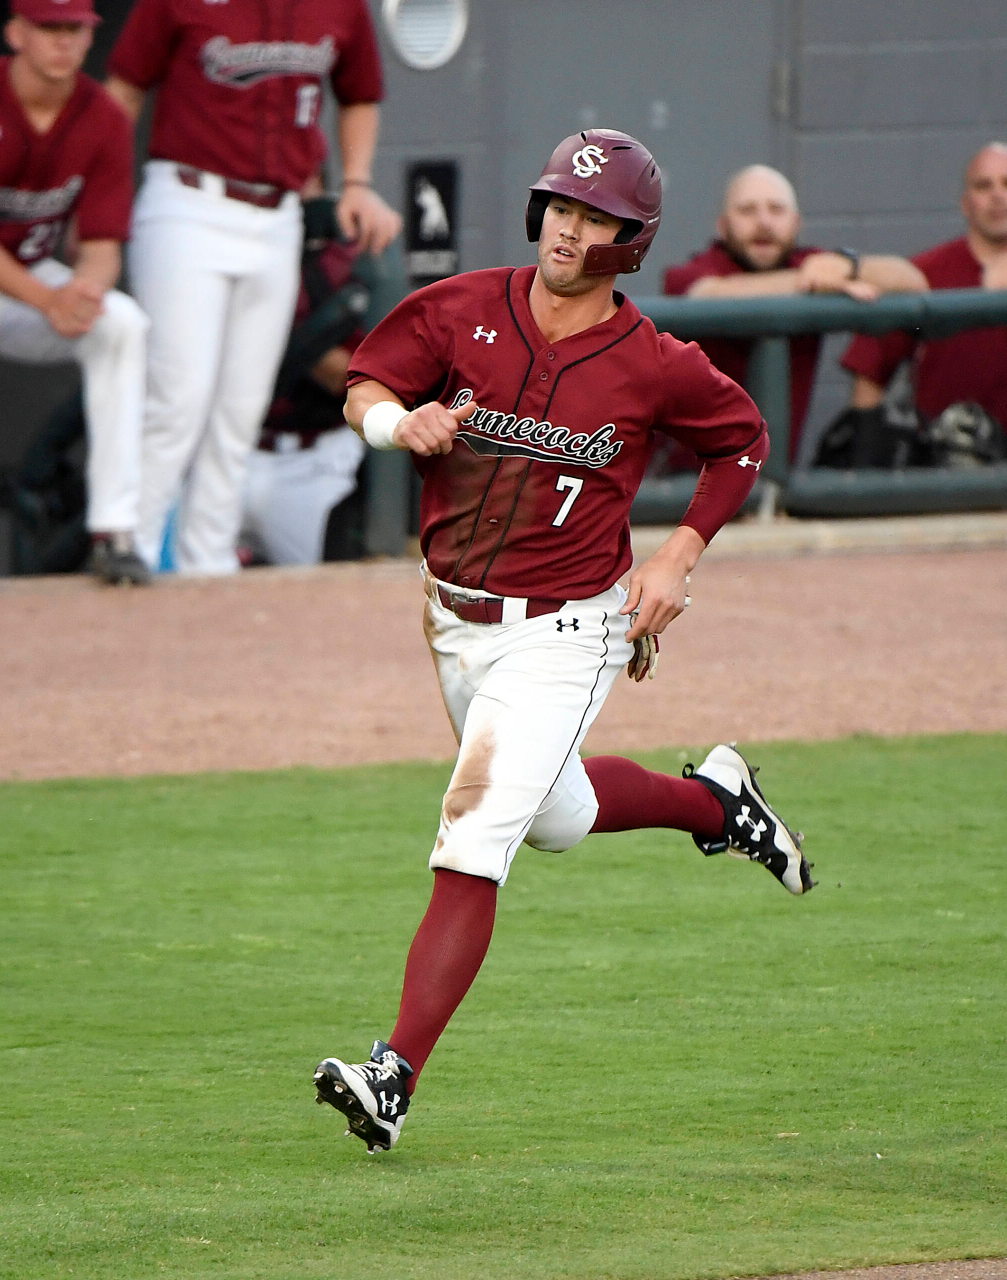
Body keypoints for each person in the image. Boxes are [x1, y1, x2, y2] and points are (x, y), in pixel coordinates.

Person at [312, 130, 815, 1156]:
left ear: (631, 242)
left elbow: (744, 441)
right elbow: (366, 381)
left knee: (476, 831)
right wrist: (393, 426)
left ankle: (391, 1075)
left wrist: (678, 555)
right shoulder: (460, 307)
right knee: (554, 814)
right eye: (560, 207)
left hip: (570, 627)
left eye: (595, 219)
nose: (569, 229)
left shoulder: (653, 361)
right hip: (452, 616)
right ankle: (717, 801)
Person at [104, 0, 401, 576]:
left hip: (278, 214)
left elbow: (360, 92)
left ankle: (207, 558)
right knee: (178, 397)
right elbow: (123, 90)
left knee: (241, 405)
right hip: (188, 201)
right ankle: (128, 546)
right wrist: (102, 196)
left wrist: (358, 181)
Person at [0, 0, 151, 586]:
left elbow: (102, 242)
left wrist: (85, 292)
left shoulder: (102, 114)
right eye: (49, 29)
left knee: (121, 323)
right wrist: (46, 298)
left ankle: (114, 529)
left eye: (75, 30)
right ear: (15, 33)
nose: (63, 43)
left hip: (32, 281)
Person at [662, 164, 927, 461]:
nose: (763, 222)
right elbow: (706, 294)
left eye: (776, 210)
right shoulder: (692, 272)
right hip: (684, 489)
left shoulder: (812, 263)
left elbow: (914, 281)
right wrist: (810, 281)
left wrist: (847, 266)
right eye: (747, 210)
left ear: (797, 223)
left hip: (771, 488)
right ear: (722, 225)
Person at [236, 180, 370, 567]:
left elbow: (354, 378)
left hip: (312, 462)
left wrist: (277, 338)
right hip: (230, 452)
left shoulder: (336, 260)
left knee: (323, 606)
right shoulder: (216, 251)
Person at [840, 143, 1007, 448]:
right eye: (984, 186)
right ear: (965, 203)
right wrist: (866, 451)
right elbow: (870, 370)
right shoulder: (924, 273)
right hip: (943, 466)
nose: (998, 195)